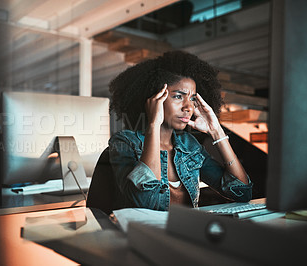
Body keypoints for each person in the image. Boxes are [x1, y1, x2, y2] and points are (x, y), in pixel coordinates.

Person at [108, 50, 252, 210]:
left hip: (185, 231)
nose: (188, 107)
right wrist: (153, 124)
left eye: (192, 98)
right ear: (154, 98)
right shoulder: (125, 142)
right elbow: (146, 201)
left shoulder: (188, 145)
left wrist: (216, 131)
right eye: (178, 96)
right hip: (145, 233)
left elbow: (241, 192)